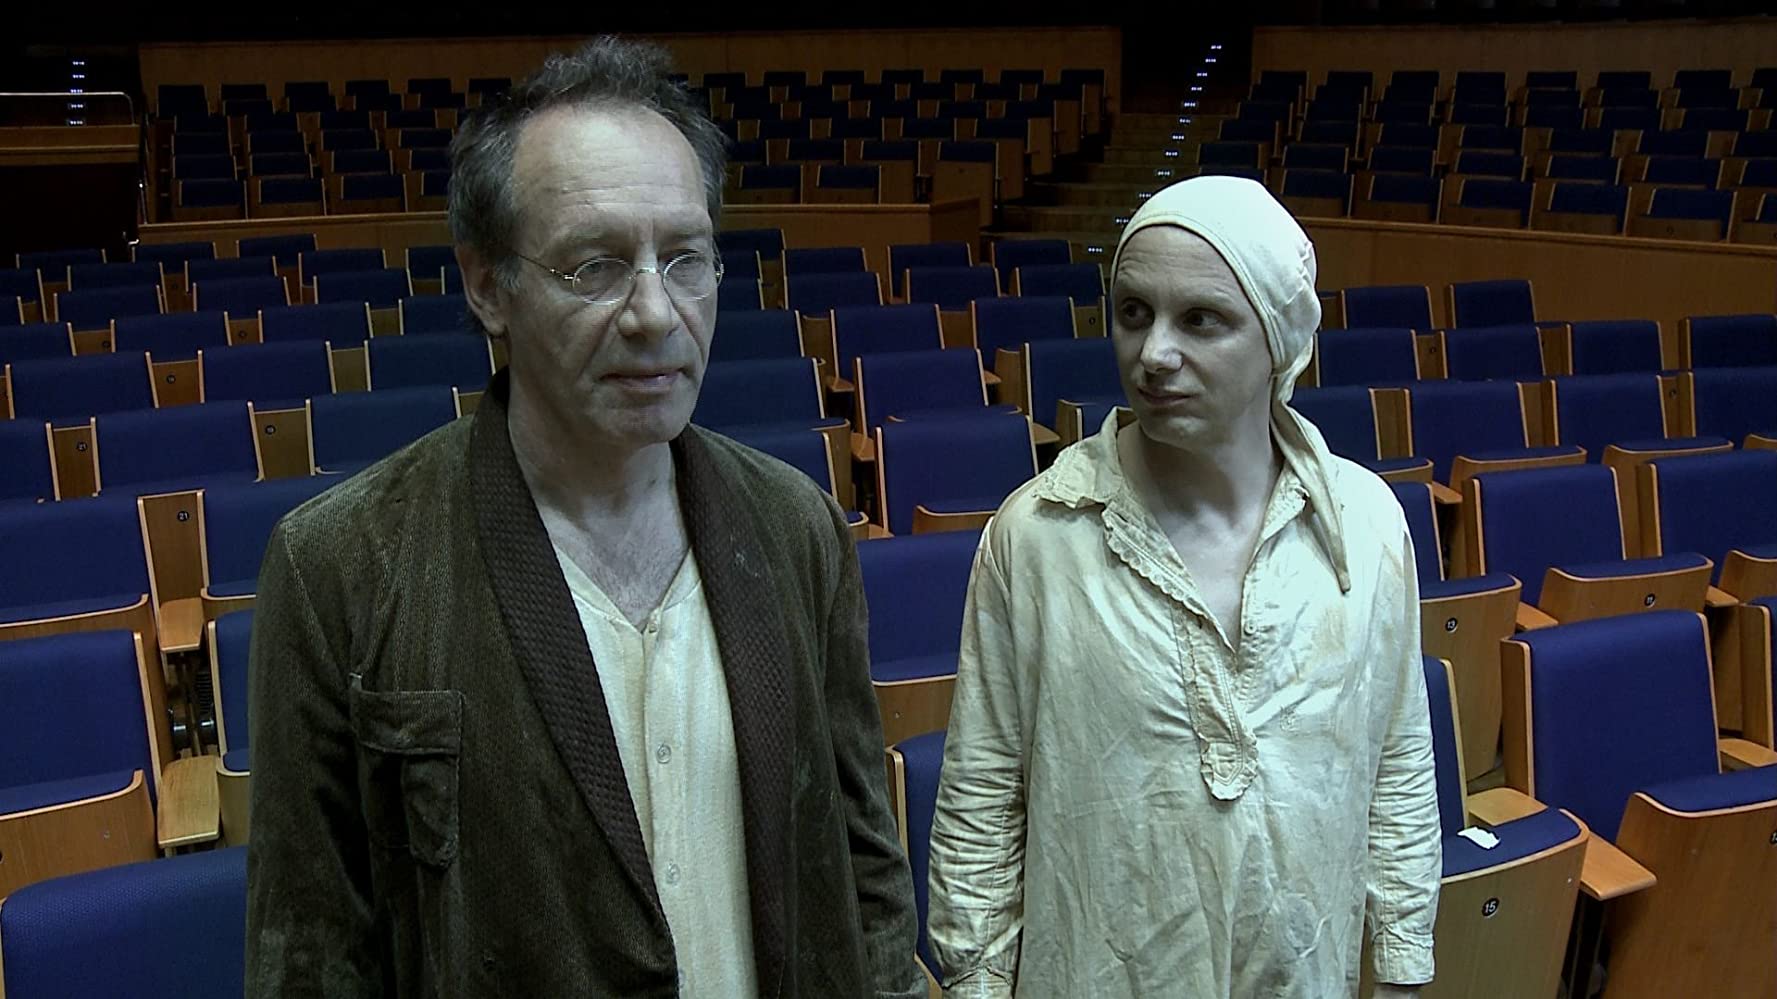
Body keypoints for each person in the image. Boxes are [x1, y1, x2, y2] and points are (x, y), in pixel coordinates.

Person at [245, 38, 923, 998]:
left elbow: (863, 866)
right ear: (489, 286)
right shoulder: (340, 563)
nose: (655, 313)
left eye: (684, 259)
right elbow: (312, 954)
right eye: (594, 266)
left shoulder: (797, 524)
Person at [925, 176, 1441, 998]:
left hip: (1301, 975)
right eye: (1133, 312)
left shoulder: (1367, 522)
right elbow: (982, 797)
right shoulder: (1038, 534)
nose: (1153, 354)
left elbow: (1396, 761)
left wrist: (1403, 964)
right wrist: (976, 982)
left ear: (1278, 339)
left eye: (1201, 319)